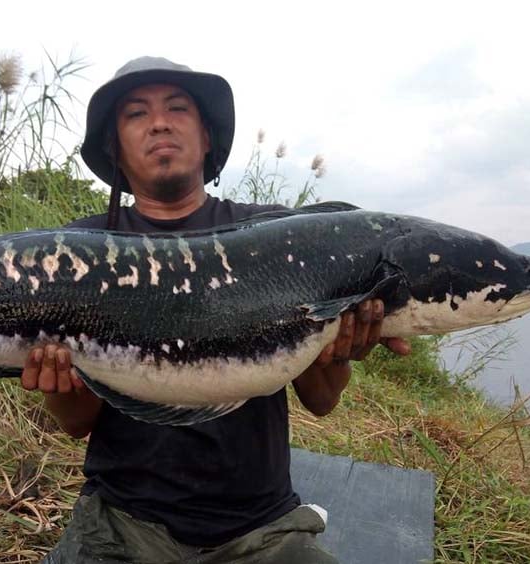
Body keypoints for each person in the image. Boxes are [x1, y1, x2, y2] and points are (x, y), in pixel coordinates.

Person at [21, 56, 411, 563]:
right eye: (137, 113)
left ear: (207, 136)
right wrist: (60, 380)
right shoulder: (77, 251)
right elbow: (76, 424)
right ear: (115, 149)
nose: (159, 122)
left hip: (261, 527)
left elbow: (322, 402)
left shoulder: (278, 235)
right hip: (121, 521)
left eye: (177, 107)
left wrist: (336, 347)